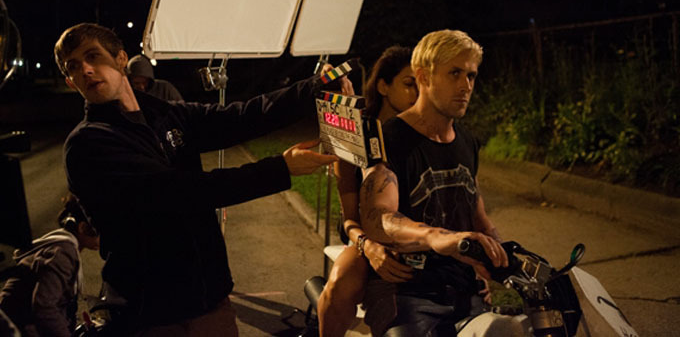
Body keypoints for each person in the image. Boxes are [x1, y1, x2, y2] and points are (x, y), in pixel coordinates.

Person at [53, 22, 341, 336]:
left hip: (208, 301)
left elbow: (243, 117)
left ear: (121, 58)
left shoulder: (165, 114)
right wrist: (281, 168)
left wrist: (317, 87)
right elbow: (181, 193)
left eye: (93, 56)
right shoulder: (87, 144)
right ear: (70, 81)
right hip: (149, 313)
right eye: (73, 67)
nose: (86, 70)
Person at [359, 30, 508, 337]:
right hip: (406, 290)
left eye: (471, 75)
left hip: (463, 288)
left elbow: (477, 214)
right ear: (423, 77)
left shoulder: (467, 141)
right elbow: (377, 217)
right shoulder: (388, 139)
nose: (466, 85)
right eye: (455, 73)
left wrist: (500, 254)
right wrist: (436, 237)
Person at [316, 45, 418, 337]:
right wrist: (369, 247)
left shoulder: (423, 133)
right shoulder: (355, 135)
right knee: (339, 284)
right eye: (409, 84)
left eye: (422, 86)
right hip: (366, 238)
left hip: (413, 237)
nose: (417, 94)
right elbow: (349, 219)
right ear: (383, 86)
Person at [0, 194, 100, 337]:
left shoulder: (61, 244)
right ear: (83, 228)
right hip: (18, 329)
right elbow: (44, 307)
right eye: (101, 232)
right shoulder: (62, 253)